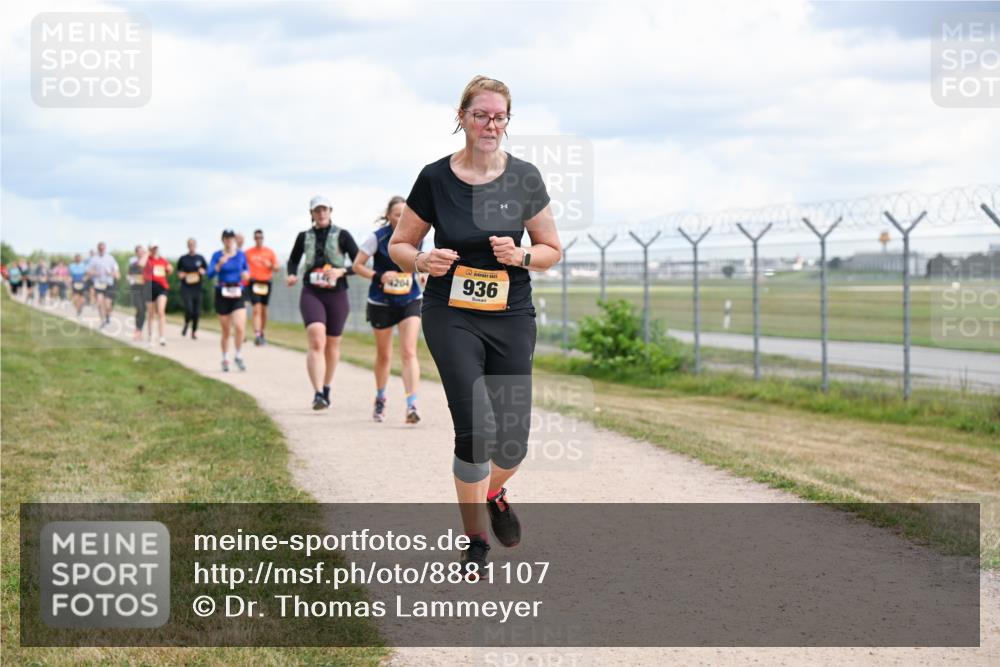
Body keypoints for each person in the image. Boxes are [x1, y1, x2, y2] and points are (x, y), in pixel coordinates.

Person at [389, 76, 562, 576]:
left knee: (513, 439)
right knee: (474, 427)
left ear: (508, 122)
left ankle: (492, 494)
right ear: (461, 117)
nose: (491, 124)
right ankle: (475, 541)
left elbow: (551, 249)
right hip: (452, 312)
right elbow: (400, 245)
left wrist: (524, 254)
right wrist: (422, 262)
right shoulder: (434, 178)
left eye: (500, 116)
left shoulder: (524, 177)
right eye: (482, 114)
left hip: (511, 313)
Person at [353, 196, 424, 424]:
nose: (402, 217)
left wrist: (423, 272)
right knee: (384, 355)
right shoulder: (377, 237)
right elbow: (357, 265)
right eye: (397, 214)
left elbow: (425, 262)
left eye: (405, 212)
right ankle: (381, 397)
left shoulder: (419, 236)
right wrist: (379, 276)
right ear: (389, 216)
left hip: (410, 299)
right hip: (381, 302)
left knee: (409, 351)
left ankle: (411, 404)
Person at [286, 195, 359, 410]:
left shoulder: (343, 235)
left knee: (333, 344)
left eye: (324, 209)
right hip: (312, 292)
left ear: (330, 211)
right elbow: (293, 260)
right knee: (317, 340)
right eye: (317, 210)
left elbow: (359, 263)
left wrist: (342, 271)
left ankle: (326, 387)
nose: (321, 213)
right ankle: (317, 393)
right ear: (311, 214)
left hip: (337, 294)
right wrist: (291, 274)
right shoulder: (303, 237)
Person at [207, 229, 249, 372]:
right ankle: (225, 358)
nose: (229, 240)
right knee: (226, 330)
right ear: (223, 240)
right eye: (226, 238)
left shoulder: (241, 255)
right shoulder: (217, 255)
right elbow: (209, 274)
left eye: (231, 238)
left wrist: (246, 275)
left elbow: (246, 271)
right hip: (222, 294)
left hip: (237, 293)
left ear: (234, 240)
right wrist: (219, 264)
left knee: (239, 326)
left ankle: (238, 355)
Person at [245, 229, 280, 346]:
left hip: (266, 283)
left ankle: (262, 331)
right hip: (253, 282)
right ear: (254, 239)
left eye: (260, 237)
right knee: (256, 309)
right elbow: (243, 267)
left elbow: (277, 268)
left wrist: (270, 265)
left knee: (264, 310)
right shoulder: (248, 252)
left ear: (263, 238)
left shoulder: (269, 252)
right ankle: (257, 334)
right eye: (256, 237)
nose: (258, 239)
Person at [176, 238, 207, 339]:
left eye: (193, 244)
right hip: (186, 288)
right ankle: (186, 322)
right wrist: (181, 274)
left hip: (197, 288)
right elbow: (178, 272)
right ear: (187, 245)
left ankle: (194, 331)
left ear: (196, 245)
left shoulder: (200, 258)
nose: (191, 246)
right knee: (189, 309)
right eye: (190, 244)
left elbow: (206, 270)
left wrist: (203, 271)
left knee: (196, 312)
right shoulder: (183, 259)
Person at [143, 241, 172, 346]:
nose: (155, 250)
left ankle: (162, 337)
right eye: (153, 248)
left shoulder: (162, 260)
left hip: (161, 287)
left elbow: (170, 269)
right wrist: (147, 253)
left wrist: (169, 269)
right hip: (149, 287)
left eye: (156, 248)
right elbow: (140, 264)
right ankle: (151, 336)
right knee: (151, 314)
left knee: (161, 311)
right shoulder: (147, 260)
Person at [86, 242, 120, 328]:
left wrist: (112, 273)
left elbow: (116, 270)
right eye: (100, 248)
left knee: (108, 304)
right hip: (99, 283)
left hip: (109, 283)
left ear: (105, 248)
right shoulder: (94, 259)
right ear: (98, 249)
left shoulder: (110, 258)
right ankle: (103, 320)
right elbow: (88, 271)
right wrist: (95, 273)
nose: (101, 250)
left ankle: (108, 315)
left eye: (103, 248)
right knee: (100, 301)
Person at [127, 245, 148, 340]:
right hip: (136, 289)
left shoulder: (148, 264)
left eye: (142, 252)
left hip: (145, 289)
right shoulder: (133, 264)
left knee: (143, 311)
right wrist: (133, 279)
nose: (141, 253)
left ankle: (139, 330)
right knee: (139, 309)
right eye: (139, 252)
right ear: (136, 253)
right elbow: (129, 276)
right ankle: (137, 329)